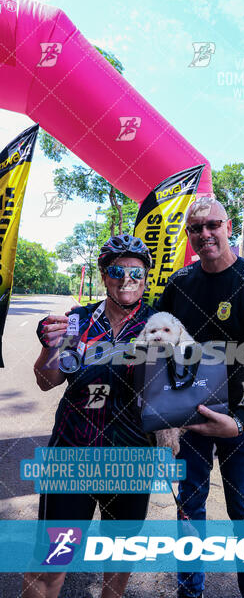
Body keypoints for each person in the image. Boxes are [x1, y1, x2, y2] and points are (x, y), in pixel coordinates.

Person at [156, 196, 244, 598]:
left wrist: (243, 420)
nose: (205, 234)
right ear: (189, 235)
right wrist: (164, 419)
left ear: (229, 226)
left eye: (212, 225)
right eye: (195, 228)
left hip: (239, 425)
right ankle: (189, 593)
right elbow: (158, 354)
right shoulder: (179, 285)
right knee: (188, 514)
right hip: (190, 421)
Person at [22, 235, 155, 598]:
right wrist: (50, 347)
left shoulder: (160, 324)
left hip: (131, 463)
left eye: (136, 272)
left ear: (146, 278)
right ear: (103, 275)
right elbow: (47, 380)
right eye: (116, 270)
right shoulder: (78, 321)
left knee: (116, 568)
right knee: (51, 564)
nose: (126, 279)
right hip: (73, 457)